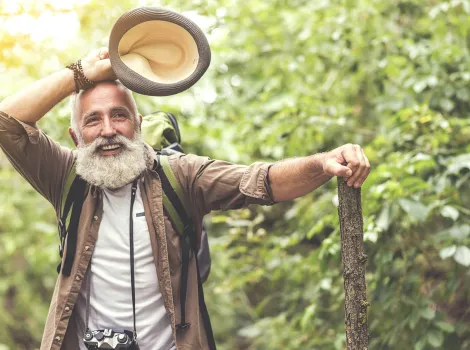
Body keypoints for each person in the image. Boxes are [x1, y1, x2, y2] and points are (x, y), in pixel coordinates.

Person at [0, 48, 371, 350]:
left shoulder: (180, 176)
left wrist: (323, 163)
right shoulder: (66, 178)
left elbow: (261, 181)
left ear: (139, 124)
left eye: (119, 116)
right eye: (93, 120)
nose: (109, 130)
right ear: (75, 135)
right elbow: (5, 120)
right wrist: (81, 72)